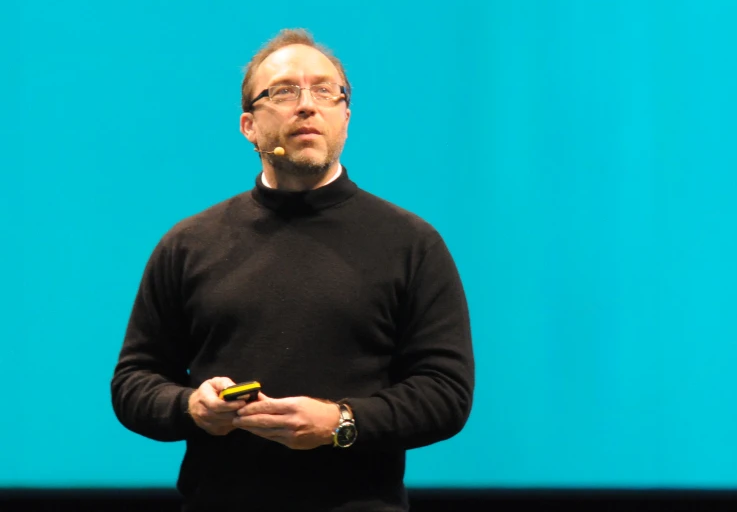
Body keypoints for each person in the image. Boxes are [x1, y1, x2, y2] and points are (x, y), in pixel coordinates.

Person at [111, 28, 474, 512]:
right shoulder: (188, 244)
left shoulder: (411, 243)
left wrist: (341, 422)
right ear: (249, 125)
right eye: (283, 92)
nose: (307, 105)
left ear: (345, 116)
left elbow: (446, 393)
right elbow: (135, 380)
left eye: (325, 91)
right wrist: (190, 407)